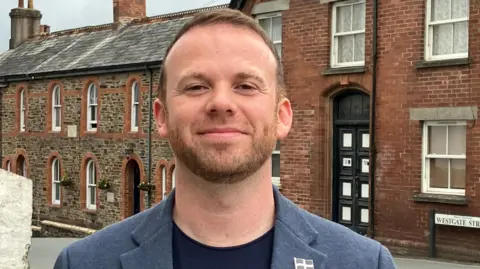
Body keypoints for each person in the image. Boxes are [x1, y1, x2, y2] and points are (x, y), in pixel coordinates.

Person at [54, 8, 396, 269]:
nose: (221, 103)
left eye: (246, 86)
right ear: (161, 116)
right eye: (196, 86)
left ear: (282, 116)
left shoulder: (364, 263)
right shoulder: (83, 263)